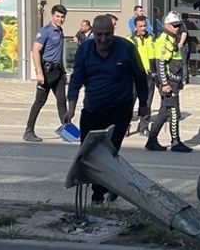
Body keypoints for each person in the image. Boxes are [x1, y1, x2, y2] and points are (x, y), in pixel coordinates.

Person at [64, 15, 150, 203]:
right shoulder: (84, 50)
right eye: (99, 35)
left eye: (107, 34)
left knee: (109, 153)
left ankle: (98, 195)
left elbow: (140, 77)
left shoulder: (126, 48)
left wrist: (144, 105)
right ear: (93, 33)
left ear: (113, 31)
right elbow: (76, 81)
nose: (103, 39)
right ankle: (111, 185)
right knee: (89, 155)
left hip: (119, 110)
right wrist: (70, 109)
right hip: (92, 110)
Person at [146, 12, 193, 153]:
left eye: (178, 25)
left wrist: (179, 81)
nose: (177, 28)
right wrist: (165, 84)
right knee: (172, 112)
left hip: (173, 82)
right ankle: (174, 141)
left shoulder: (172, 39)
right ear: (166, 25)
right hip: (169, 84)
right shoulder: (165, 40)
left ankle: (153, 140)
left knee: (166, 111)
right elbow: (160, 64)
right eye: (174, 26)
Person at [24, 3, 69, 142]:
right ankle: (29, 131)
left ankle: (67, 132)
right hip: (46, 71)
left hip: (58, 72)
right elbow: (35, 50)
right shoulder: (45, 31)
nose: (60, 19)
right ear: (52, 15)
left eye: (62, 17)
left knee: (62, 102)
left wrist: (64, 72)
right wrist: (39, 73)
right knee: (39, 101)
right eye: (57, 16)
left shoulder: (60, 31)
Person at [130, 16, 157, 135]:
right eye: (140, 26)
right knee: (129, 102)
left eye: (144, 25)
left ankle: (144, 126)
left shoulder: (151, 38)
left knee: (146, 102)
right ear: (135, 27)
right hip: (134, 76)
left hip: (148, 76)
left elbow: (154, 56)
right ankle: (125, 126)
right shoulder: (130, 40)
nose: (143, 28)